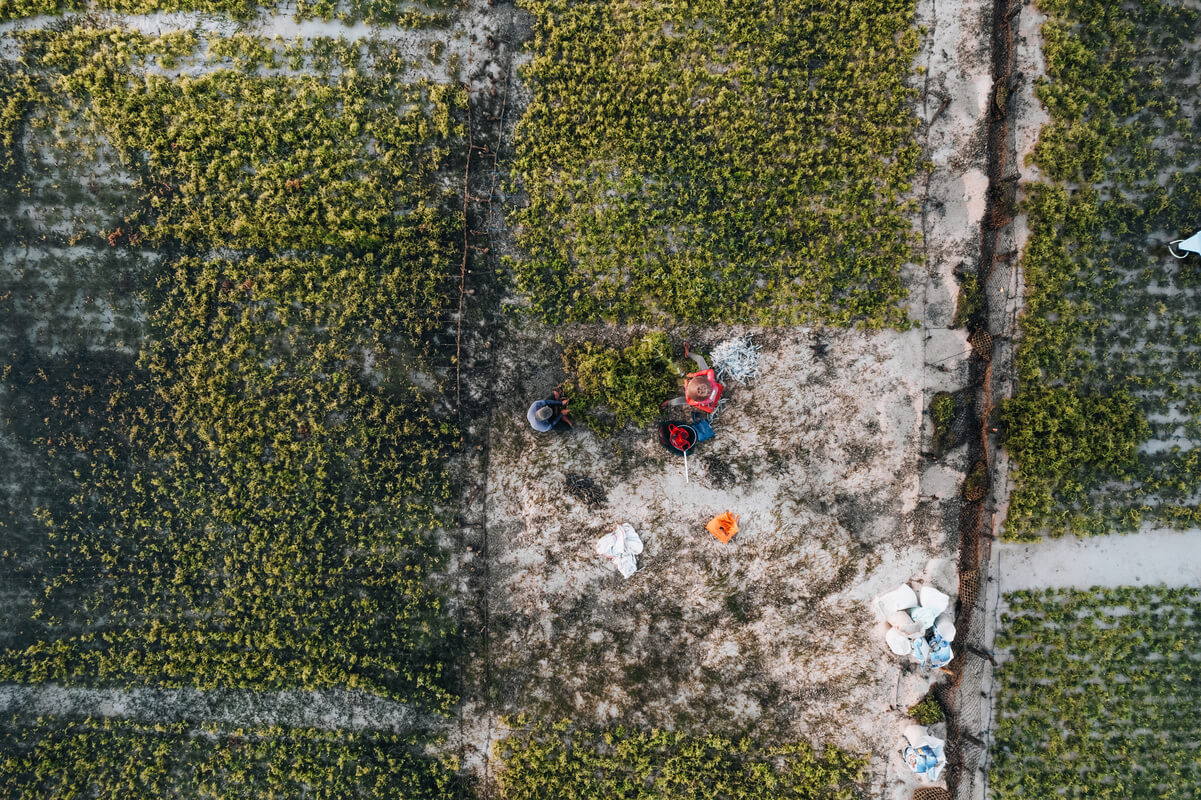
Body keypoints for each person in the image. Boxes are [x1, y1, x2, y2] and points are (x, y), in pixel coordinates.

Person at [665, 343, 724, 413]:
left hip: (705, 398)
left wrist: (686, 386)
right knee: (700, 359)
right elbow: (710, 371)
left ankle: (668, 403)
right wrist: (694, 375)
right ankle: (688, 353)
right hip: (707, 386)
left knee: (682, 400)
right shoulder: (711, 381)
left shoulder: (696, 401)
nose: (702, 389)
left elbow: (688, 401)